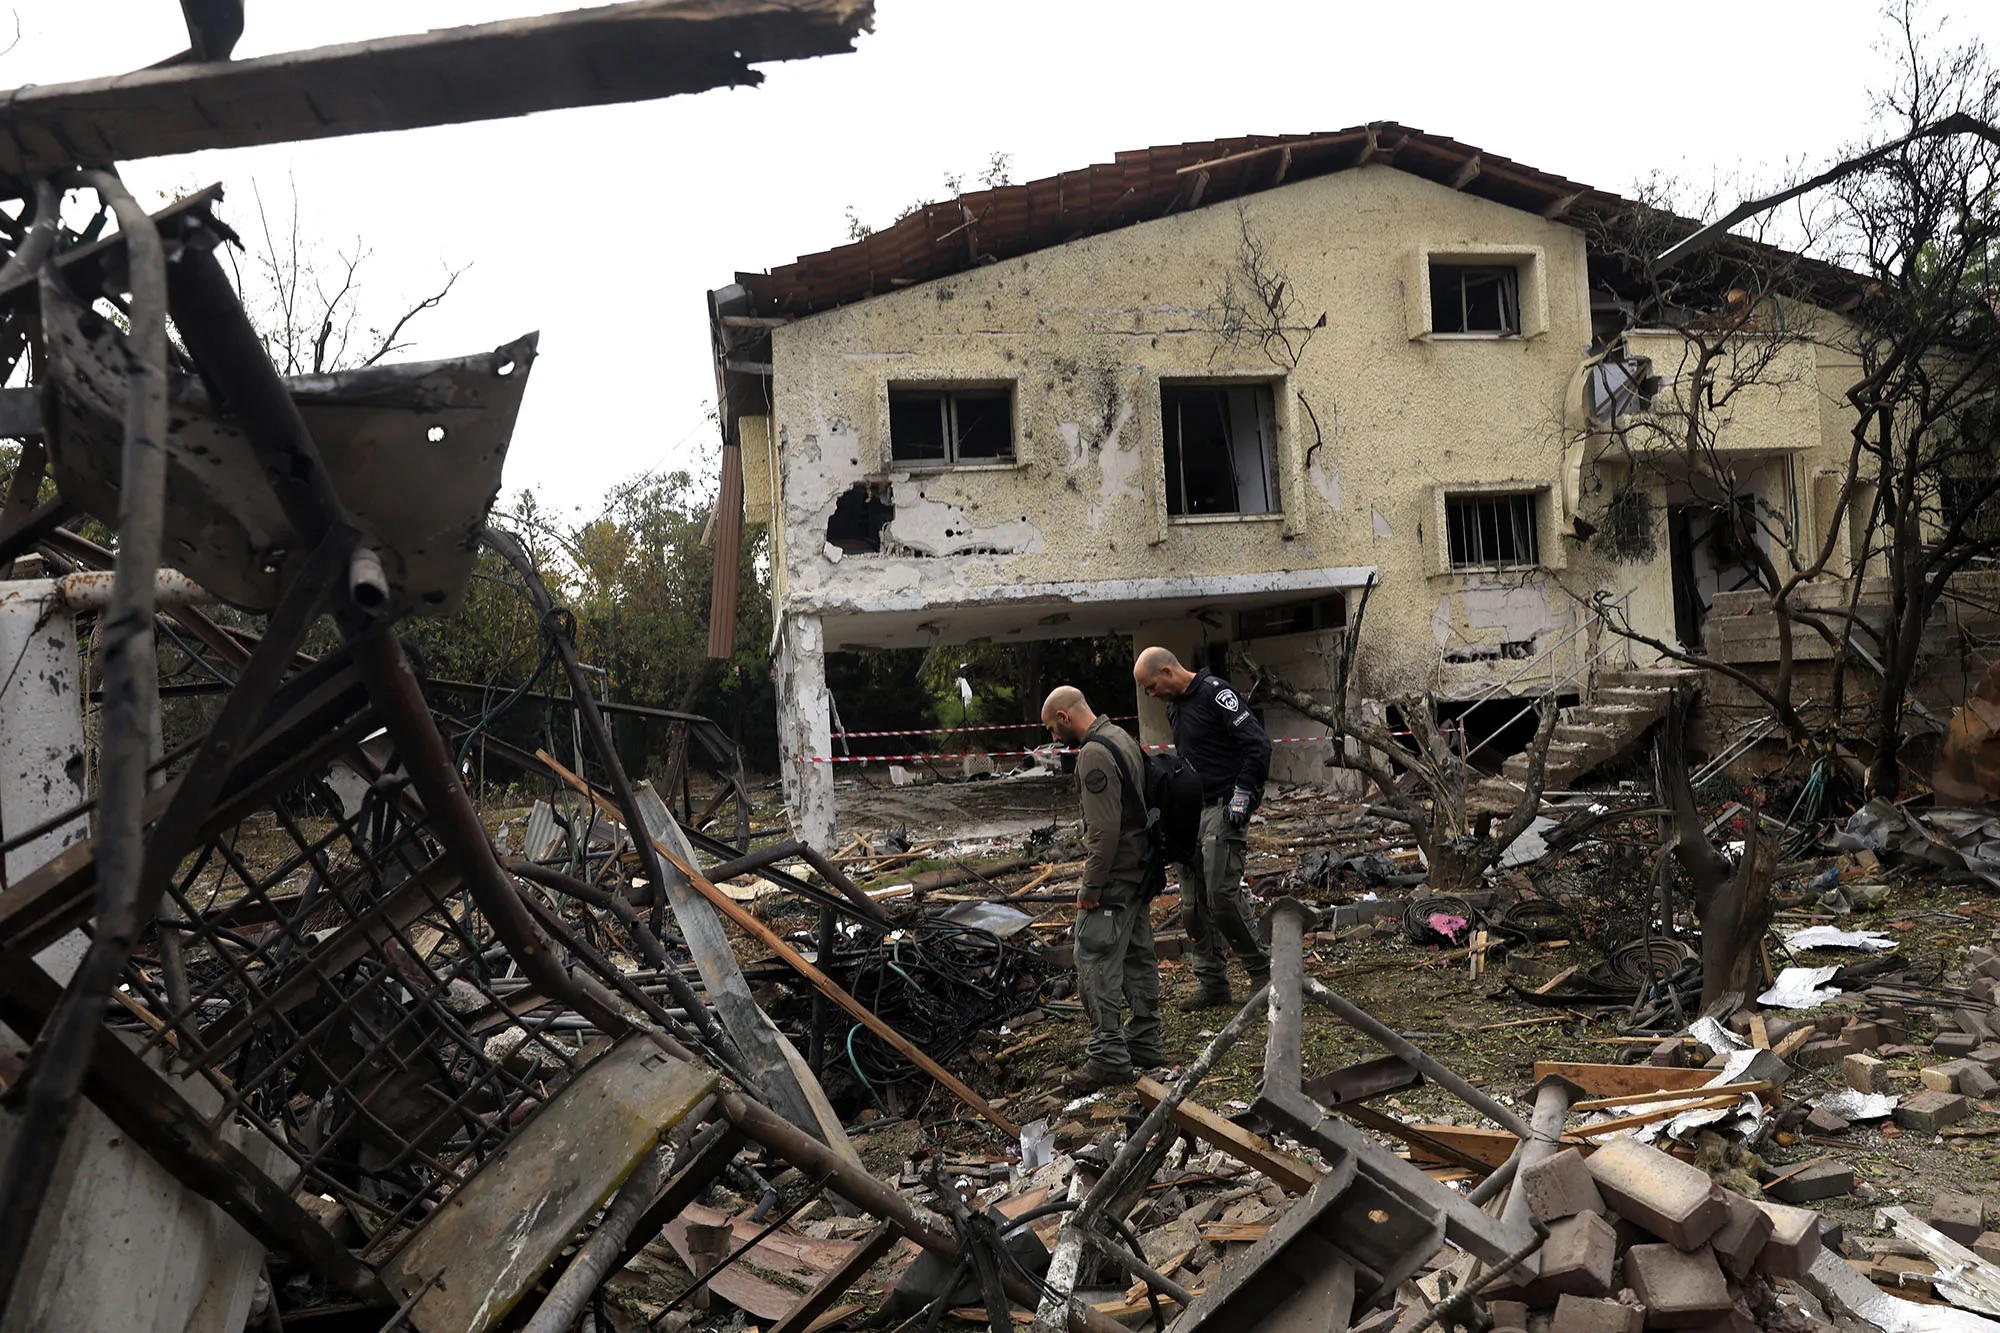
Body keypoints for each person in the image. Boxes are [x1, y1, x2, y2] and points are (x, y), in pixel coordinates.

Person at [1041, 684, 1166, 1091]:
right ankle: (1146, 1040)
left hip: (1114, 877)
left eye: (1052, 730)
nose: (1054, 739)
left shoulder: (1094, 752)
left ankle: (1109, 1056)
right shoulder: (1121, 737)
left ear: (1064, 717)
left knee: (1093, 957)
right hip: (1138, 870)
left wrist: (1090, 887)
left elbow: (1104, 829)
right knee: (1137, 955)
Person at [1132, 646, 1271, 1009]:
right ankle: (1212, 984)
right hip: (1190, 810)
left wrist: (1245, 791)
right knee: (1192, 904)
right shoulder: (1174, 707)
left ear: (1166, 671)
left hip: (1224, 804)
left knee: (1222, 895)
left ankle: (1263, 975)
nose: (1150, 694)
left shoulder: (1215, 693)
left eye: (1150, 686)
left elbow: (1257, 743)